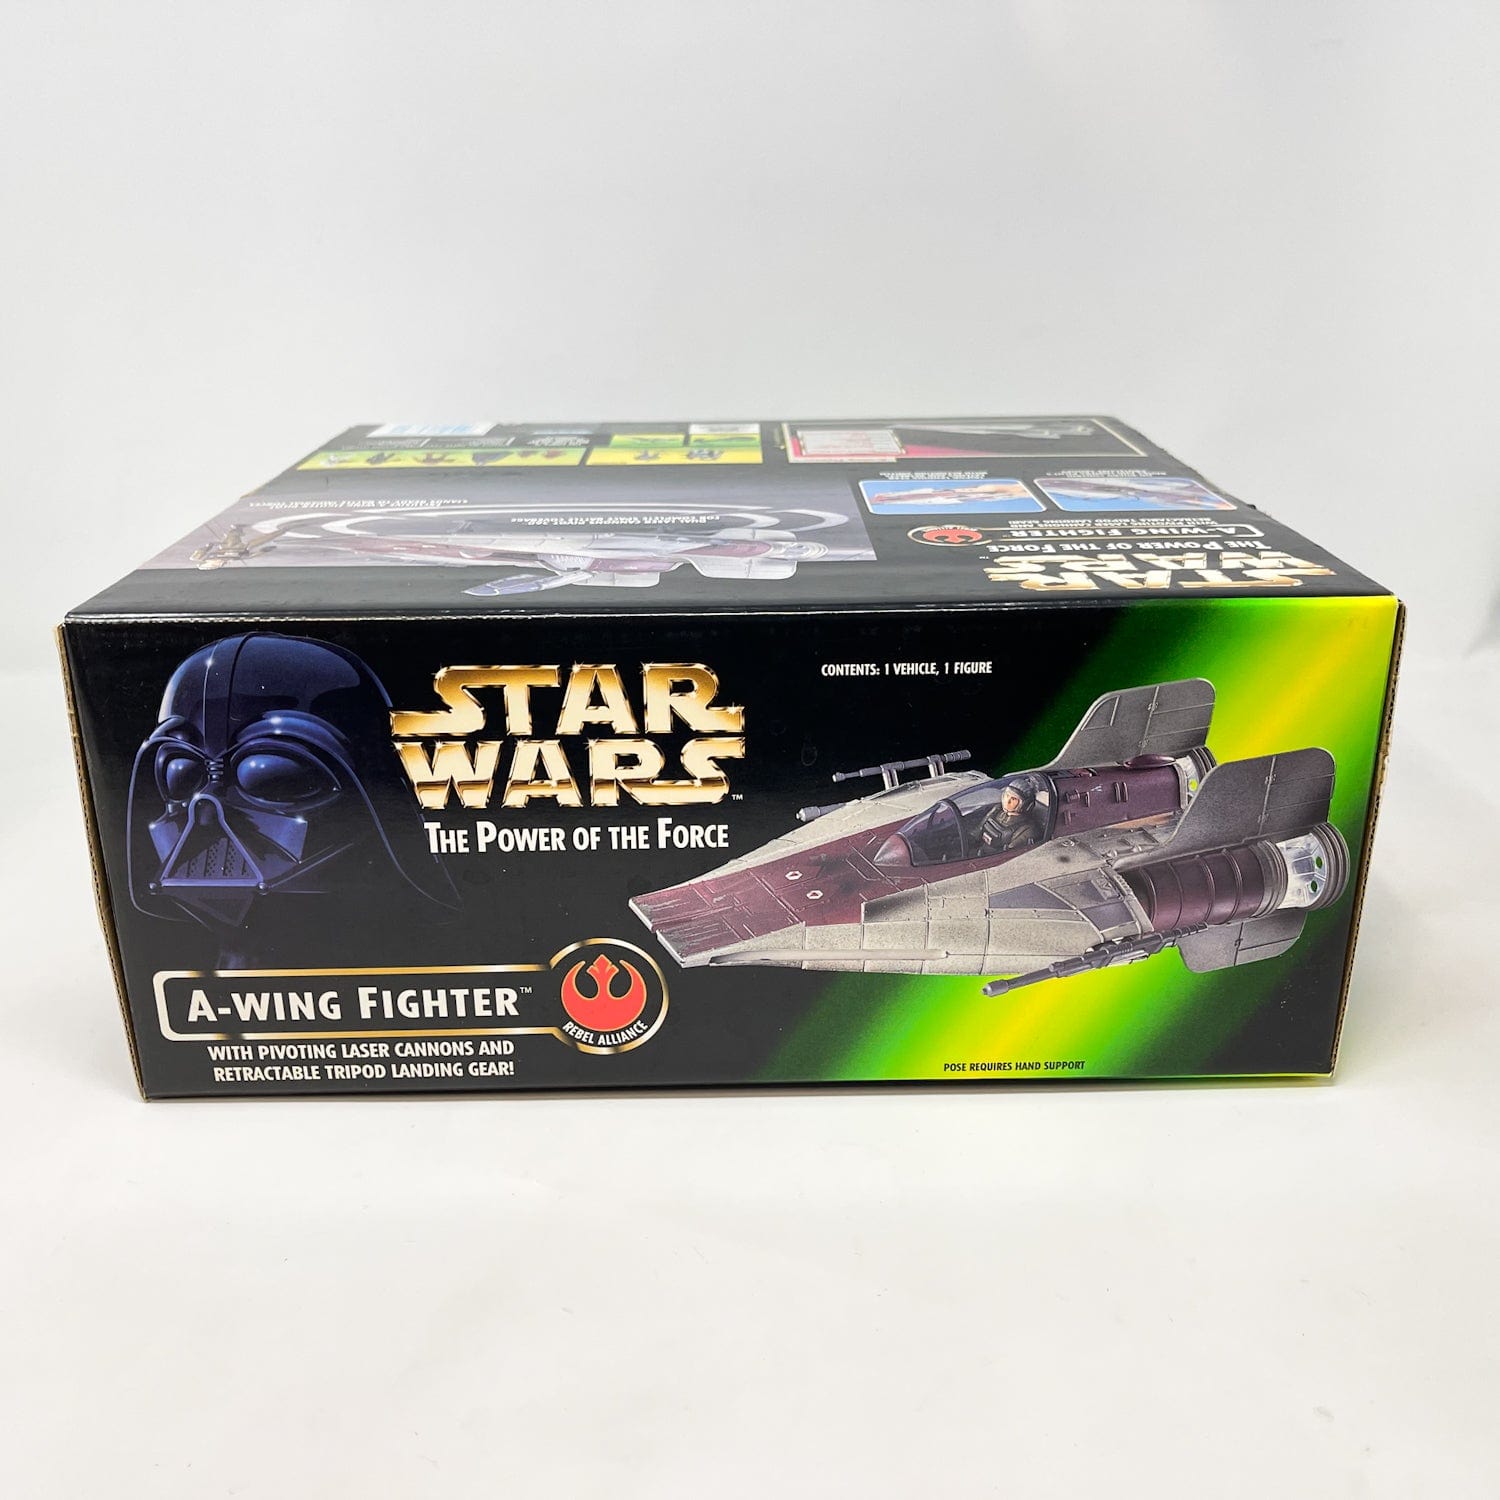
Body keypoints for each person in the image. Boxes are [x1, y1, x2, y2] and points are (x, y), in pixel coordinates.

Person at [979, 781, 1046, 853]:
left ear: (1025, 804)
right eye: (1007, 796)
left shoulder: (1026, 830)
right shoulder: (997, 810)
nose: (1007, 801)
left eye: (1013, 799)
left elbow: (1008, 854)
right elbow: (977, 831)